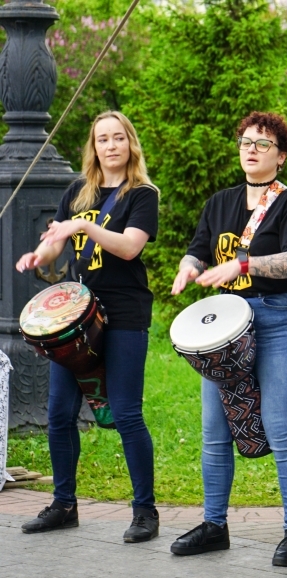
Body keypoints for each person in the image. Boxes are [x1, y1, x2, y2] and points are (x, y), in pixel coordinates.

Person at [170, 112, 287, 567]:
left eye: (263, 144)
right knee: (215, 430)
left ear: (281, 156)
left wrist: (245, 265)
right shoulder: (220, 202)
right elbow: (198, 249)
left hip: (278, 317)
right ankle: (214, 525)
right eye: (246, 142)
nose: (251, 149)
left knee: (280, 428)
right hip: (226, 326)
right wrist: (188, 268)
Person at [16, 111, 161, 543]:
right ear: (93, 147)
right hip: (77, 317)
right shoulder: (78, 192)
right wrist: (38, 256)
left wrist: (83, 225)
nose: (111, 146)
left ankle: (145, 511)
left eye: (118, 138)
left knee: (127, 413)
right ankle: (64, 505)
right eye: (102, 139)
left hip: (124, 314)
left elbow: (130, 247)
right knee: (59, 413)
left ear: (130, 144)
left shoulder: (142, 195)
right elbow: (54, 244)